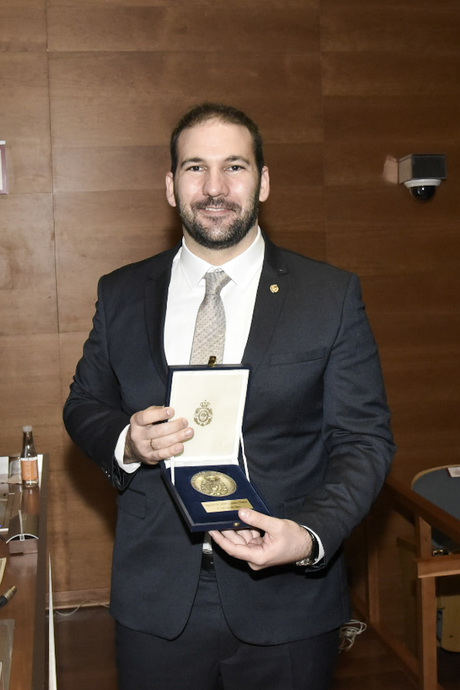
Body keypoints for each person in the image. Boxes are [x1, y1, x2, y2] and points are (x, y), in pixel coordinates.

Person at [64, 103, 395, 690]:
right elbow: (84, 404)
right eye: (195, 168)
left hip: (288, 600)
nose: (214, 188)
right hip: (154, 601)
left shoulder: (330, 295)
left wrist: (310, 534)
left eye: (234, 167)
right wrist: (127, 440)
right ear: (170, 186)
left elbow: (363, 440)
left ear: (263, 181)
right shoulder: (120, 292)